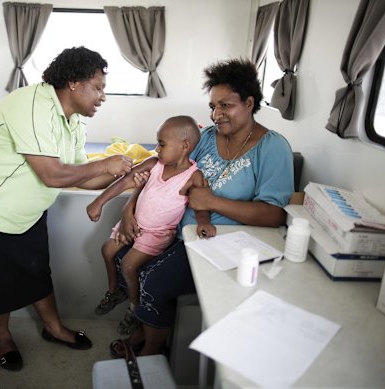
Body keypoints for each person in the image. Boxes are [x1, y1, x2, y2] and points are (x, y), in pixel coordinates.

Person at [0, 46, 133, 371]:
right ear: (73, 81)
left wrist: (126, 177)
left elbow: (81, 178)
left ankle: (53, 328)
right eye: (98, 87)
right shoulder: (31, 104)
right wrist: (106, 165)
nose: (103, 96)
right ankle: (2, 337)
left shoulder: (74, 122)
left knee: (37, 272)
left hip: (24, 214)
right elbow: (53, 174)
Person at [107, 58, 294, 358]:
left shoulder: (273, 148)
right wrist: (129, 207)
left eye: (225, 105)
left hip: (218, 241)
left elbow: (275, 215)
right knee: (119, 255)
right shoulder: (206, 138)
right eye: (213, 106)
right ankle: (146, 325)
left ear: (249, 103)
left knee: (152, 280)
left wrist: (211, 202)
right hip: (174, 230)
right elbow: (160, 170)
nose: (216, 114)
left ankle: (152, 350)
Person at [86, 116, 217, 336]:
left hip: (157, 234)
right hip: (135, 223)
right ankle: (114, 291)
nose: (157, 148)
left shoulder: (193, 177)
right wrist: (99, 202)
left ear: (185, 146)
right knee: (106, 250)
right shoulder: (154, 164)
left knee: (128, 265)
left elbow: (200, 204)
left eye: (162, 144)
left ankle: (135, 309)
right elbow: (125, 181)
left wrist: (203, 222)